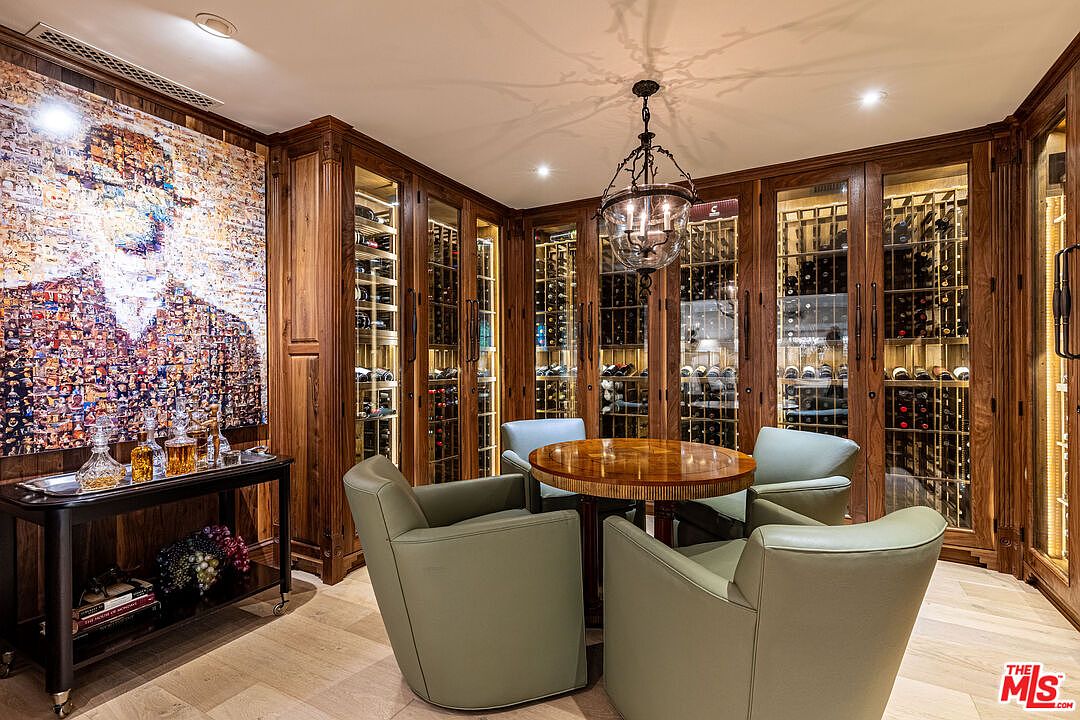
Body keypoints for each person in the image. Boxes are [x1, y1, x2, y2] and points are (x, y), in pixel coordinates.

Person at [1, 123, 262, 456]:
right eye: (117, 191)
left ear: (173, 211)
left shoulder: (230, 334)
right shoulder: (16, 316)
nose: (141, 211)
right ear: (87, 197)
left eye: (153, 196)